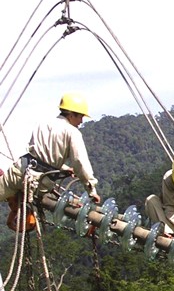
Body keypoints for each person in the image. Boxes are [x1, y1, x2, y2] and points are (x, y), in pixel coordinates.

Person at [0, 92, 100, 230]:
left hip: (19, 171)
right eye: (80, 117)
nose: (81, 121)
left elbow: (37, 154)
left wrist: (64, 168)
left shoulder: (43, 124)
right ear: (71, 115)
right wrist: (91, 190)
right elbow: (80, 163)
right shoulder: (72, 132)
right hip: (37, 183)